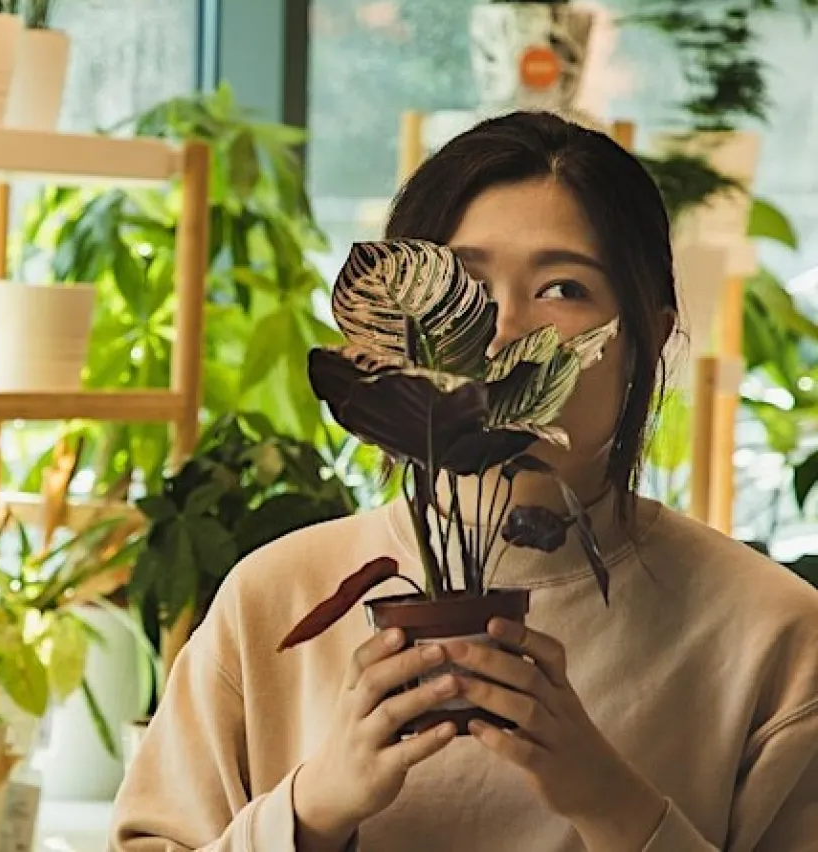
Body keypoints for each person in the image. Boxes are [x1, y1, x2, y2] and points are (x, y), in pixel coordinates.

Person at [110, 111, 818, 851]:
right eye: (464, 287)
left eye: (563, 288)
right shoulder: (272, 600)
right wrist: (313, 808)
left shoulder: (774, 635)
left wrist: (614, 804)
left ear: (647, 337)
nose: (504, 330)